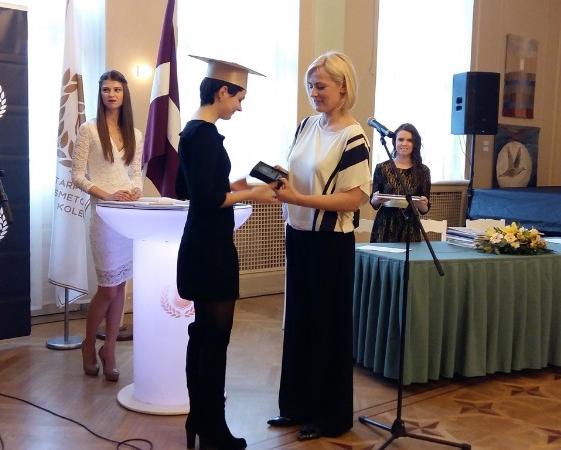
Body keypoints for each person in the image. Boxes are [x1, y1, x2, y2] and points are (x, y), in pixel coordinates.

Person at [267, 51, 372, 441]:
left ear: (343, 87)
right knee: (299, 322)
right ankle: (296, 407)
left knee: (326, 328)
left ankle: (329, 416)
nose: (314, 93)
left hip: (330, 243)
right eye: (310, 86)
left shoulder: (353, 136)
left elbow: (354, 198)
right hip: (298, 234)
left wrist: (299, 198)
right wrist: (283, 177)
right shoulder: (307, 125)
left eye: (321, 86)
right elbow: (300, 173)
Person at [176, 55, 278, 450]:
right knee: (214, 341)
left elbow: (187, 187)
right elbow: (204, 198)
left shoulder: (191, 131)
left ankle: (200, 420)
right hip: (211, 250)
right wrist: (254, 193)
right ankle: (213, 430)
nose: (240, 106)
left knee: (203, 337)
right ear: (222, 91)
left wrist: (233, 185)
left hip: (199, 246)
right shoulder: (206, 136)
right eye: (239, 98)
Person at [72, 70, 143, 382]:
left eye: (116, 89)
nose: (111, 94)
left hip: (128, 215)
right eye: (106, 90)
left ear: (124, 94)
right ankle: (89, 344)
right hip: (103, 213)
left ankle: (109, 349)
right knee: (108, 288)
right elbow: (77, 176)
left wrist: (136, 190)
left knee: (121, 287)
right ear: (100, 95)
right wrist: (107, 195)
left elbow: (135, 172)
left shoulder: (135, 133)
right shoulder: (89, 129)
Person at [369, 123, 431, 243]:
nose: (404, 143)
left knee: (410, 254)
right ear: (394, 142)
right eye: (400, 139)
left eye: (409, 140)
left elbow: (424, 209)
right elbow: (374, 204)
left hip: (410, 223)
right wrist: (375, 200)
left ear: (415, 143)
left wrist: (422, 204)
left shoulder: (423, 171)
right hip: (385, 223)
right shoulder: (382, 168)